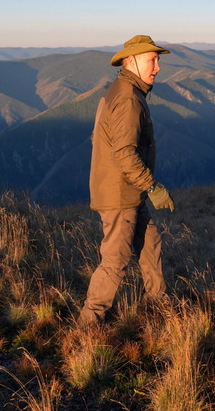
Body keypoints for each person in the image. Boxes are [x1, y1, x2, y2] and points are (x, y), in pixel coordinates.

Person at [78, 34, 176, 326]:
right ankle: (87, 324)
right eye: (152, 60)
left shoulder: (121, 91)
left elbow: (101, 138)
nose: (157, 67)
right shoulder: (128, 98)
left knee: (150, 242)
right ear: (131, 61)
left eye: (157, 60)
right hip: (121, 194)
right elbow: (124, 154)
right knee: (115, 262)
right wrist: (153, 187)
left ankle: (158, 306)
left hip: (128, 191)